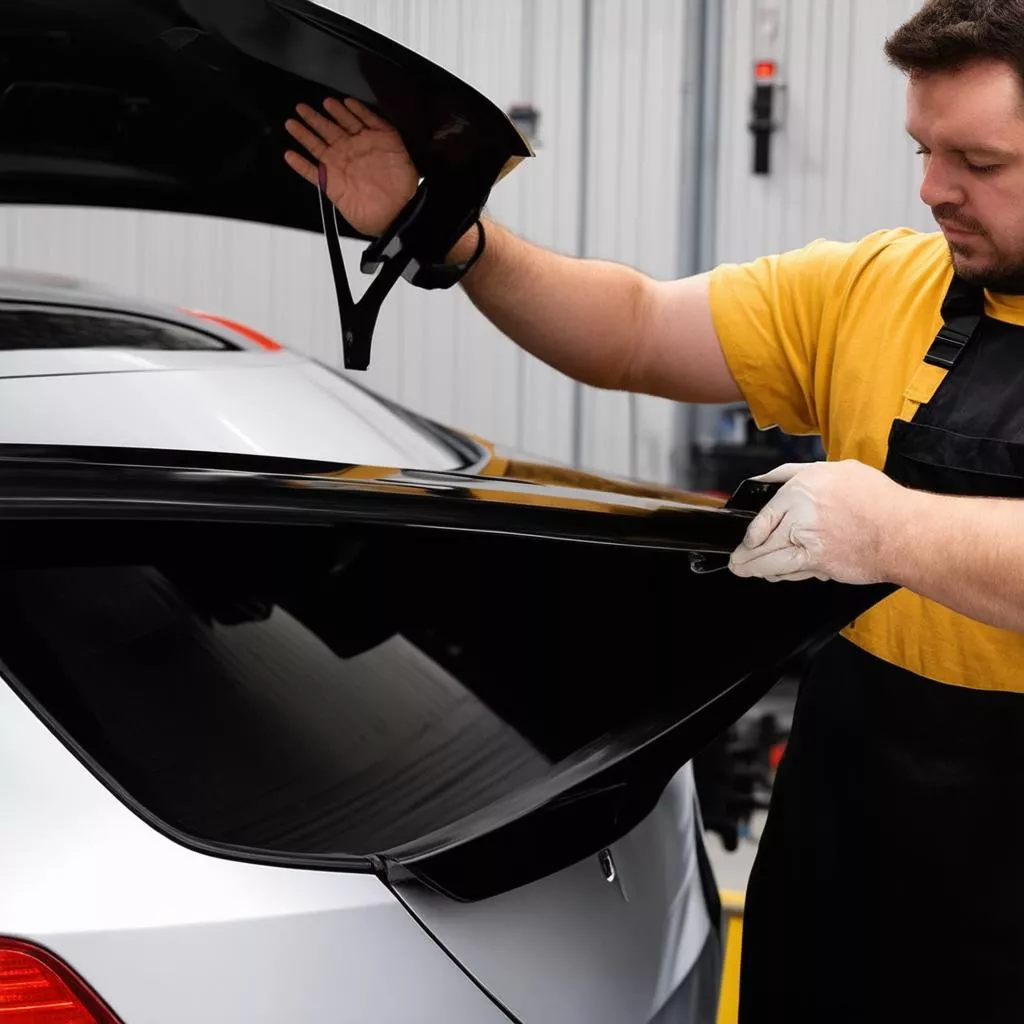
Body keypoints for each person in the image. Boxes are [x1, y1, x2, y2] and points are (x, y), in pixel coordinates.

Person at [284, 1, 1024, 1018]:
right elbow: (632, 328)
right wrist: (446, 233)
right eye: (922, 148)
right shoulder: (874, 288)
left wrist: (889, 529)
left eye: (978, 162)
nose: (931, 188)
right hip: (854, 817)